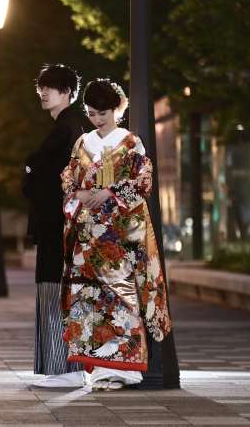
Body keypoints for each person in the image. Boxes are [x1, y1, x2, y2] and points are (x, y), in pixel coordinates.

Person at [60, 79, 172, 391]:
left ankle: (125, 368)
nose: (97, 120)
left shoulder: (130, 142)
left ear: (116, 109)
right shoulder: (82, 143)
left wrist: (109, 191)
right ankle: (96, 369)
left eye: (103, 114)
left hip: (117, 233)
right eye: (92, 114)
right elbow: (69, 174)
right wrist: (81, 193)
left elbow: (142, 180)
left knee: (121, 295)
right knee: (88, 297)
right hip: (88, 231)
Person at [23, 64, 93, 388]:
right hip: (61, 222)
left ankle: (66, 369)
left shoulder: (67, 128)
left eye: (51, 87)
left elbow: (45, 174)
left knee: (55, 289)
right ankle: (64, 368)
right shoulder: (71, 126)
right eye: (41, 86)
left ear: (67, 92)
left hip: (59, 224)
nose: (43, 92)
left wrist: (30, 169)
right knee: (57, 289)